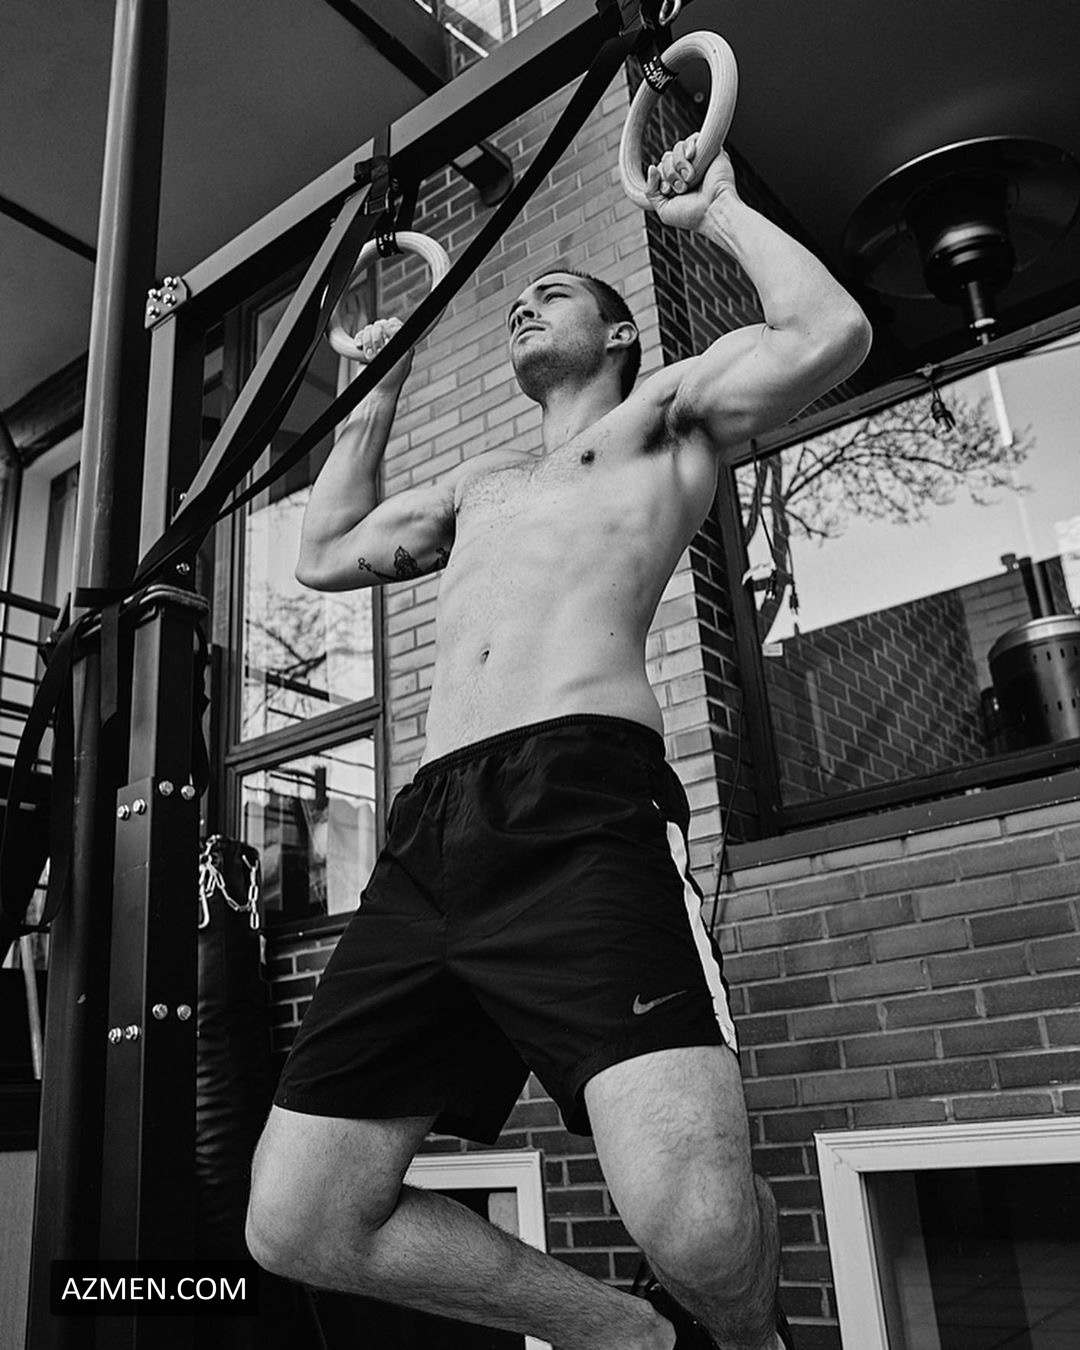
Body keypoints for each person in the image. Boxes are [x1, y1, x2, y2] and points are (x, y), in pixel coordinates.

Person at [246, 131, 871, 1350]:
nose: (524, 305)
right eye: (518, 302)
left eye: (554, 292)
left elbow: (829, 334)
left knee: (700, 1233)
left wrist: (715, 209)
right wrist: (382, 378)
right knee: (296, 1221)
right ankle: (630, 1338)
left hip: (582, 807)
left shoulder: (664, 419)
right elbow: (321, 553)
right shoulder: (477, 486)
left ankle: (751, 1340)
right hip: (431, 838)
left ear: (621, 331)